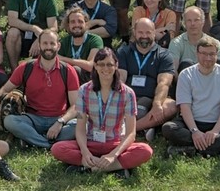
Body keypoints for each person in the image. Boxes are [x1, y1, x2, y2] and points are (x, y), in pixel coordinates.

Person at [51, 48, 153, 177]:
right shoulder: (84, 90)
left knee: (145, 150)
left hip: (114, 143)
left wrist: (113, 155)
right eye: (101, 64)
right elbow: (81, 128)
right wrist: (85, 152)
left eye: (110, 64)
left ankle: (94, 167)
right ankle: (113, 167)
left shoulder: (127, 93)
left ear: (116, 66)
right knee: (58, 149)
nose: (106, 68)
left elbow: (130, 134)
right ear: (95, 66)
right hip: (91, 141)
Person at [0, 31, 81, 150]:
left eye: (52, 43)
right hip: (32, 119)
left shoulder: (68, 71)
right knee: (10, 121)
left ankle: (33, 140)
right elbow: (5, 89)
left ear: (58, 46)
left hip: (58, 119)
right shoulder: (25, 67)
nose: (48, 47)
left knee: (81, 124)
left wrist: (60, 122)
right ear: (39, 45)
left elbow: (76, 105)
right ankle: (47, 143)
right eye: (45, 43)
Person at [161, 38, 220, 157]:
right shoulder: (186, 74)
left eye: (212, 54)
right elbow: (185, 107)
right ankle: (219, 150)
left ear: (217, 55)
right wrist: (195, 131)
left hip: (217, 123)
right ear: (197, 54)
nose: (208, 58)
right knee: (168, 128)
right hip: (191, 122)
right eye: (204, 54)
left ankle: (190, 150)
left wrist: (215, 131)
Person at [116, 18, 178, 138]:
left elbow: (164, 83)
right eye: (140, 32)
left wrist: (157, 104)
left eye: (148, 32)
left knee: (171, 106)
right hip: (128, 99)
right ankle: (147, 126)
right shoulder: (123, 52)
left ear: (154, 33)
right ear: (134, 32)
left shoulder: (164, 55)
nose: (144, 36)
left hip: (152, 99)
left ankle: (130, 129)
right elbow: (120, 78)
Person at [4, 0, 59, 66]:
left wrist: (40, 38)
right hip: (21, 34)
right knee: (12, 33)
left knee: (48, 40)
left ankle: (40, 70)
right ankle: (14, 70)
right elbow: (12, 20)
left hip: (38, 37)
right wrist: (33, 28)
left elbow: (53, 27)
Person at [166, 7, 220, 72]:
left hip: (212, 80)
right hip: (186, 80)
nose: (193, 24)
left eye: (196, 20)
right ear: (184, 24)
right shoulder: (176, 43)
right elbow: (173, 70)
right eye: (189, 20)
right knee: (186, 64)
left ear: (203, 22)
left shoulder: (215, 43)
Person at [59, 6, 105, 81]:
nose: (76, 25)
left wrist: (63, 59)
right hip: (67, 78)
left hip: (89, 80)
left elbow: (90, 66)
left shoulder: (95, 40)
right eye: (73, 22)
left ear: (86, 24)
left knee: (75, 69)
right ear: (68, 25)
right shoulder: (64, 41)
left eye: (80, 21)